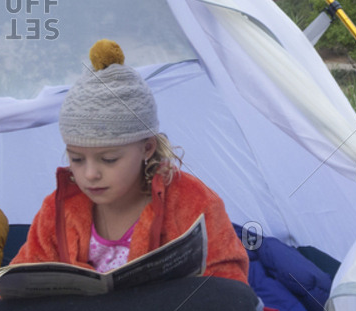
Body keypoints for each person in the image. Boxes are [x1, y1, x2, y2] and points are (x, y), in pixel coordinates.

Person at [13, 40, 249, 282]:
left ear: (147, 148)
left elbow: (228, 282)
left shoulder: (193, 202)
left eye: (109, 159)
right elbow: (22, 276)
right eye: (76, 159)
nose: (90, 174)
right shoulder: (57, 209)